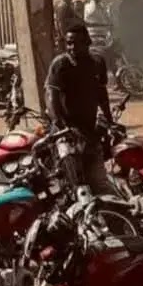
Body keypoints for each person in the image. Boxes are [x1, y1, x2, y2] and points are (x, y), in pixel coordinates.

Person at [45, 21, 113, 195]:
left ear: (87, 43)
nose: (72, 47)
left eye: (77, 43)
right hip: (66, 133)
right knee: (75, 185)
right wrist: (61, 127)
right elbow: (52, 98)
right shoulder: (60, 65)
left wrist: (109, 121)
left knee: (100, 183)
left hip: (90, 132)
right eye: (69, 43)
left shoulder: (97, 62)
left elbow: (102, 94)